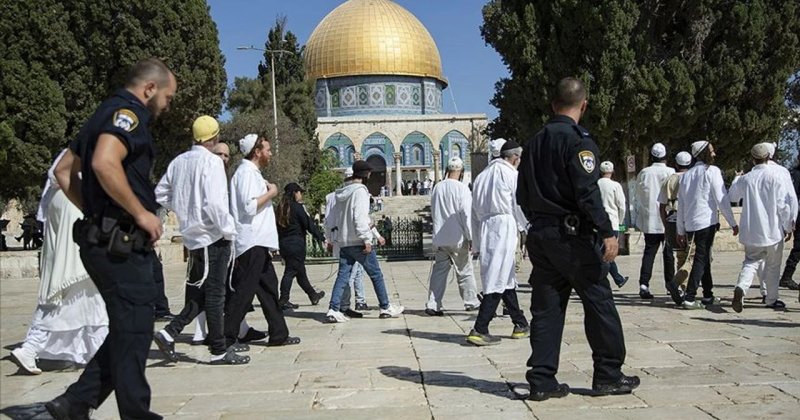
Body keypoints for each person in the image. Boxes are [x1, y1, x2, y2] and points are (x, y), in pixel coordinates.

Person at [46, 58, 176, 419]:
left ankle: (75, 403)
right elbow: (104, 162)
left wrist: (96, 211)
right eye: (167, 98)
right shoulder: (128, 115)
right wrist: (138, 213)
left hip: (104, 238)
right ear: (149, 89)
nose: (167, 106)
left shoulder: (102, 114)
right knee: (134, 328)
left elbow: (63, 171)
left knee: (130, 326)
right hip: (120, 244)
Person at [517, 77, 639, 401]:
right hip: (572, 238)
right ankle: (608, 374)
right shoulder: (578, 142)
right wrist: (608, 232)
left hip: (541, 236)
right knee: (599, 302)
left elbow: (522, 196)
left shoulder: (533, 143)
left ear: (552, 104)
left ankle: (542, 380)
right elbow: (587, 192)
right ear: (583, 105)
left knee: (547, 308)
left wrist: (542, 220)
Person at [152, 116, 247, 365]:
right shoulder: (212, 163)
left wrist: (184, 209)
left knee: (204, 293)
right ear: (215, 137)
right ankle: (218, 350)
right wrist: (229, 231)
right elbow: (215, 204)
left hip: (193, 237)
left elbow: (160, 193)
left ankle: (169, 332)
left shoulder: (178, 162)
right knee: (215, 295)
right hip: (213, 235)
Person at [11, 150, 108, 375]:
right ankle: (32, 346)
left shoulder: (77, 147)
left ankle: (98, 352)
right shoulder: (101, 141)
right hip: (76, 205)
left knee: (85, 290)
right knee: (76, 282)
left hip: (64, 204)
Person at [226, 134, 300, 347]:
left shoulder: (252, 173)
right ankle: (226, 337)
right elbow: (249, 207)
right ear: (257, 152)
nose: (270, 153)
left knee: (269, 289)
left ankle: (279, 334)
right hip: (251, 242)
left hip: (258, 242)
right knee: (244, 292)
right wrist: (272, 193)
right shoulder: (246, 173)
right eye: (267, 149)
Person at [467, 140, 530, 346]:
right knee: (497, 275)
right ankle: (480, 328)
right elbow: (518, 203)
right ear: (515, 157)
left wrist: (476, 240)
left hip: (486, 226)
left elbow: (474, 211)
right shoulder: (510, 174)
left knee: (505, 274)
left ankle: (520, 323)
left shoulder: (482, 176)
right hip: (504, 225)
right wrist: (527, 226)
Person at [325, 160, 404, 322]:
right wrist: (367, 239)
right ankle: (385, 307)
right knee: (376, 274)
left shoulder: (341, 193)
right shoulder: (360, 191)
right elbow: (359, 217)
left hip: (344, 241)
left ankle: (333, 309)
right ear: (366, 174)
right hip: (358, 242)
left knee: (343, 276)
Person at [728, 143, 796, 312]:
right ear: (768, 157)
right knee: (773, 266)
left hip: (752, 231)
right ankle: (771, 299)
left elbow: (732, 196)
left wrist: (736, 178)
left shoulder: (746, 179)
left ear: (753, 159)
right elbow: (783, 205)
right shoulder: (775, 177)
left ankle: (742, 287)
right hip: (773, 231)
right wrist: (788, 226)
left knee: (750, 262)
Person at [675, 140, 738, 309]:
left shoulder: (686, 176)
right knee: (701, 258)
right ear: (704, 154)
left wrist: (680, 230)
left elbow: (681, 205)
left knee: (704, 258)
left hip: (691, 224)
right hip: (706, 222)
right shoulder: (712, 171)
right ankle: (689, 297)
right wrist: (732, 222)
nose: (714, 154)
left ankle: (708, 294)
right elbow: (721, 199)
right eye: (711, 151)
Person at [425, 157, 481, 316]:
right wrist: (471, 238)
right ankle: (471, 301)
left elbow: (434, 212)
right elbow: (466, 215)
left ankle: (433, 304)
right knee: (464, 270)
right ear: (461, 172)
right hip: (458, 238)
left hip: (441, 238)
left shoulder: (437, 187)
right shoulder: (462, 189)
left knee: (439, 272)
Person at [325, 168, 370, 316]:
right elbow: (330, 220)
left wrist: (329, 238)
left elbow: (329, 220)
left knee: (351, 273)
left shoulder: (337, 195)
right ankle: (341, 306)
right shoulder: (342, 195)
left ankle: (344, 305)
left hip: (342, 238)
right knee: (349, 275)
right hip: (353, 239)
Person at [634, 143, 675, 299]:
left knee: (649, 253)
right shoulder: (670, 172)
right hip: (668, 219)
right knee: (668, 254)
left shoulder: (645, 172)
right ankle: (670, 285)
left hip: (651, 219)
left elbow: (637, 194)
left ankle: (644, 284)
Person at [277, 182, 326, 310]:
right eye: (300, 192)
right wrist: (321, 238)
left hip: (284, 244)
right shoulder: (297, 207)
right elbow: (309, 224)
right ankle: (283, 299)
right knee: (290, 272)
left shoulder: (281, 208)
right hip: (296, 245)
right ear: (295, 193)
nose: (301, 195)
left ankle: (313, 295)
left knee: (300, 272)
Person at [658, 151, 693, 301]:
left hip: (672, 220)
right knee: (694, 256)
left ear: (676, 164)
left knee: (680, 256)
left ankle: (683, 288)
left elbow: (662, 206)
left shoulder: (669, 180)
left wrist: (665, 225)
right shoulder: (693, 178)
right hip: (691, 221)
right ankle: (680, 284)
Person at [597, 161, 628, 288]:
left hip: (597, 222)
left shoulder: (595, 184)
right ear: (612, 171)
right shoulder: (615, 185)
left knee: (602, 251)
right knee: (607, 252)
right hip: (613, 222)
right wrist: (620, 222)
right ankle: (615, 278)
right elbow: (622, 206)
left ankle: (617, 278)